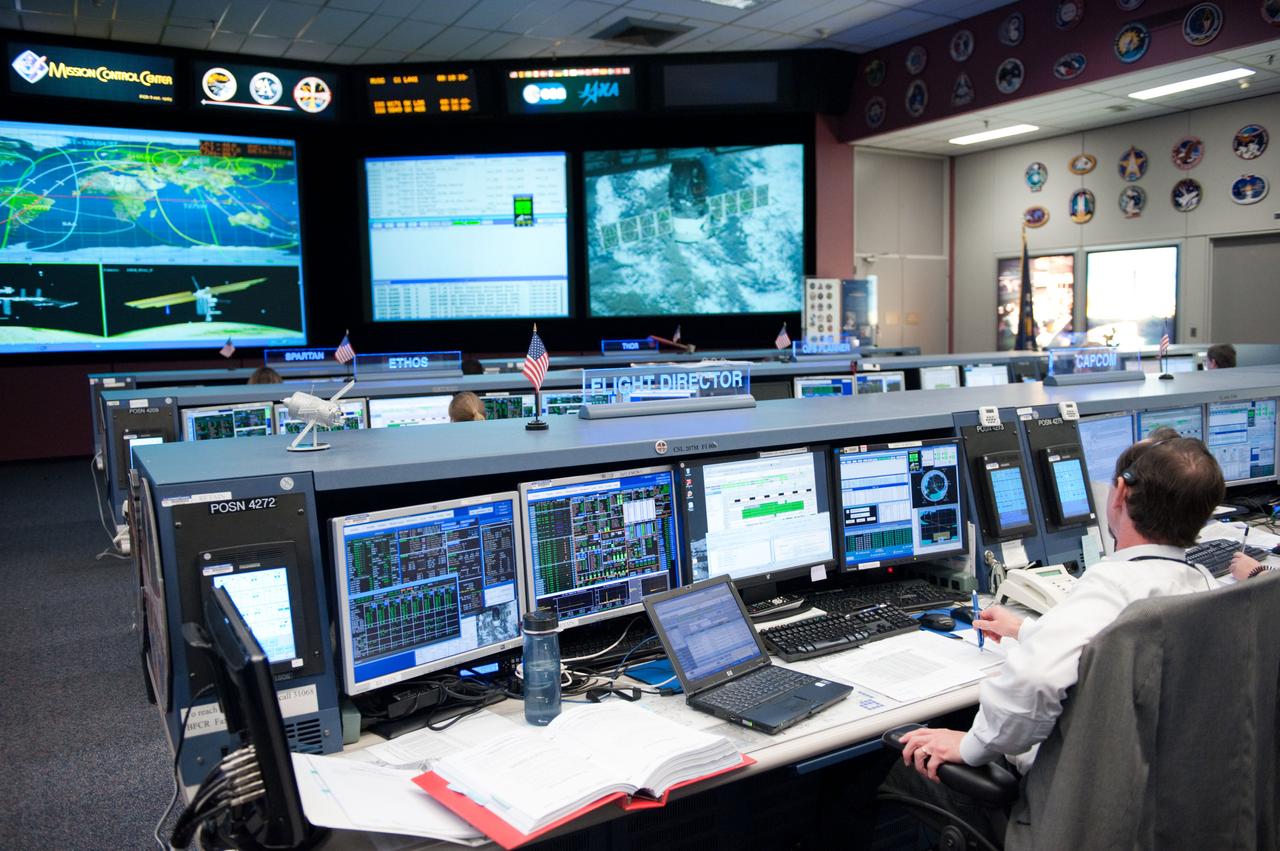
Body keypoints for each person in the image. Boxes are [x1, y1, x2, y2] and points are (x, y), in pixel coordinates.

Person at [886, 431, 1225, 843]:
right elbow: (1113, 653)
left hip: (1068, 810)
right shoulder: (1204, 584)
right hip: (1159, 806)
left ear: (1119, 494)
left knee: (880, 769)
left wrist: (971, 747)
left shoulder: (1112, 583)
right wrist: (1025, 630)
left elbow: (1037, 680)